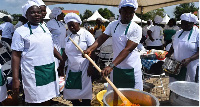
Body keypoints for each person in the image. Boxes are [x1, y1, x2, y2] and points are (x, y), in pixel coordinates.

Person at [84, 0, 143, 91]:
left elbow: (127, 49)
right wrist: (90, 49)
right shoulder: (113, 25)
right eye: (125, 12)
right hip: (117, 68)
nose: (128, 15)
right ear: (120, 11)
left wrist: (111, 65)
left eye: (131, 12)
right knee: (115, 96)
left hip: (131, 69)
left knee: (133, 98)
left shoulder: (136, 28)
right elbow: (101, 38)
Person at [11, 1, 62, 105]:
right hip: (33, 72)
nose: (37, 15)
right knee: (35, 99)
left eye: (38, 12)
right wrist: (15, 79)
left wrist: (62, 59)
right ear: (26, 15)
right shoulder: (20, 31)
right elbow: (15, 55)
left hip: (49, 69)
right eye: (32, 13)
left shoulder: (44, 27)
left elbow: (50, 46)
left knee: (49, 97)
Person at [59, 13, 95, 106]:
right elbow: (66, 53)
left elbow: (93, 51)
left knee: (85, 92)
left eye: (73, 25)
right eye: (69, 25)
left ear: (78, 23)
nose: (71, 27)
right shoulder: (68, 38)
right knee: (69, 92)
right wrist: (61, 65)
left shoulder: (86, 34)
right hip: (72, 68)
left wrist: (91, 66)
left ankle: (85, 104)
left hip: (84, 68)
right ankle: (77, 105)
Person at [166, 13, 199, 83]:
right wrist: (169, 53)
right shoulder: (178, 33)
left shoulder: (197, 33)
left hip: (191, 66)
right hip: (176, 65)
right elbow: (173, 44)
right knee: (175, 84)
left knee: (188, 86)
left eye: (186, 24)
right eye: (182, 23)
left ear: (192, 23)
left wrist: (190, 59)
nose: (183, 26)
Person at [46, 7, 66, 73]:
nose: (63, 15)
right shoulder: (50, 23)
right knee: (55, 66)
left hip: (62, 47)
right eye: (61, 14)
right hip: (55, 47)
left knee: (63, 65)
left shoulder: (62, 23)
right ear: (57, 14)